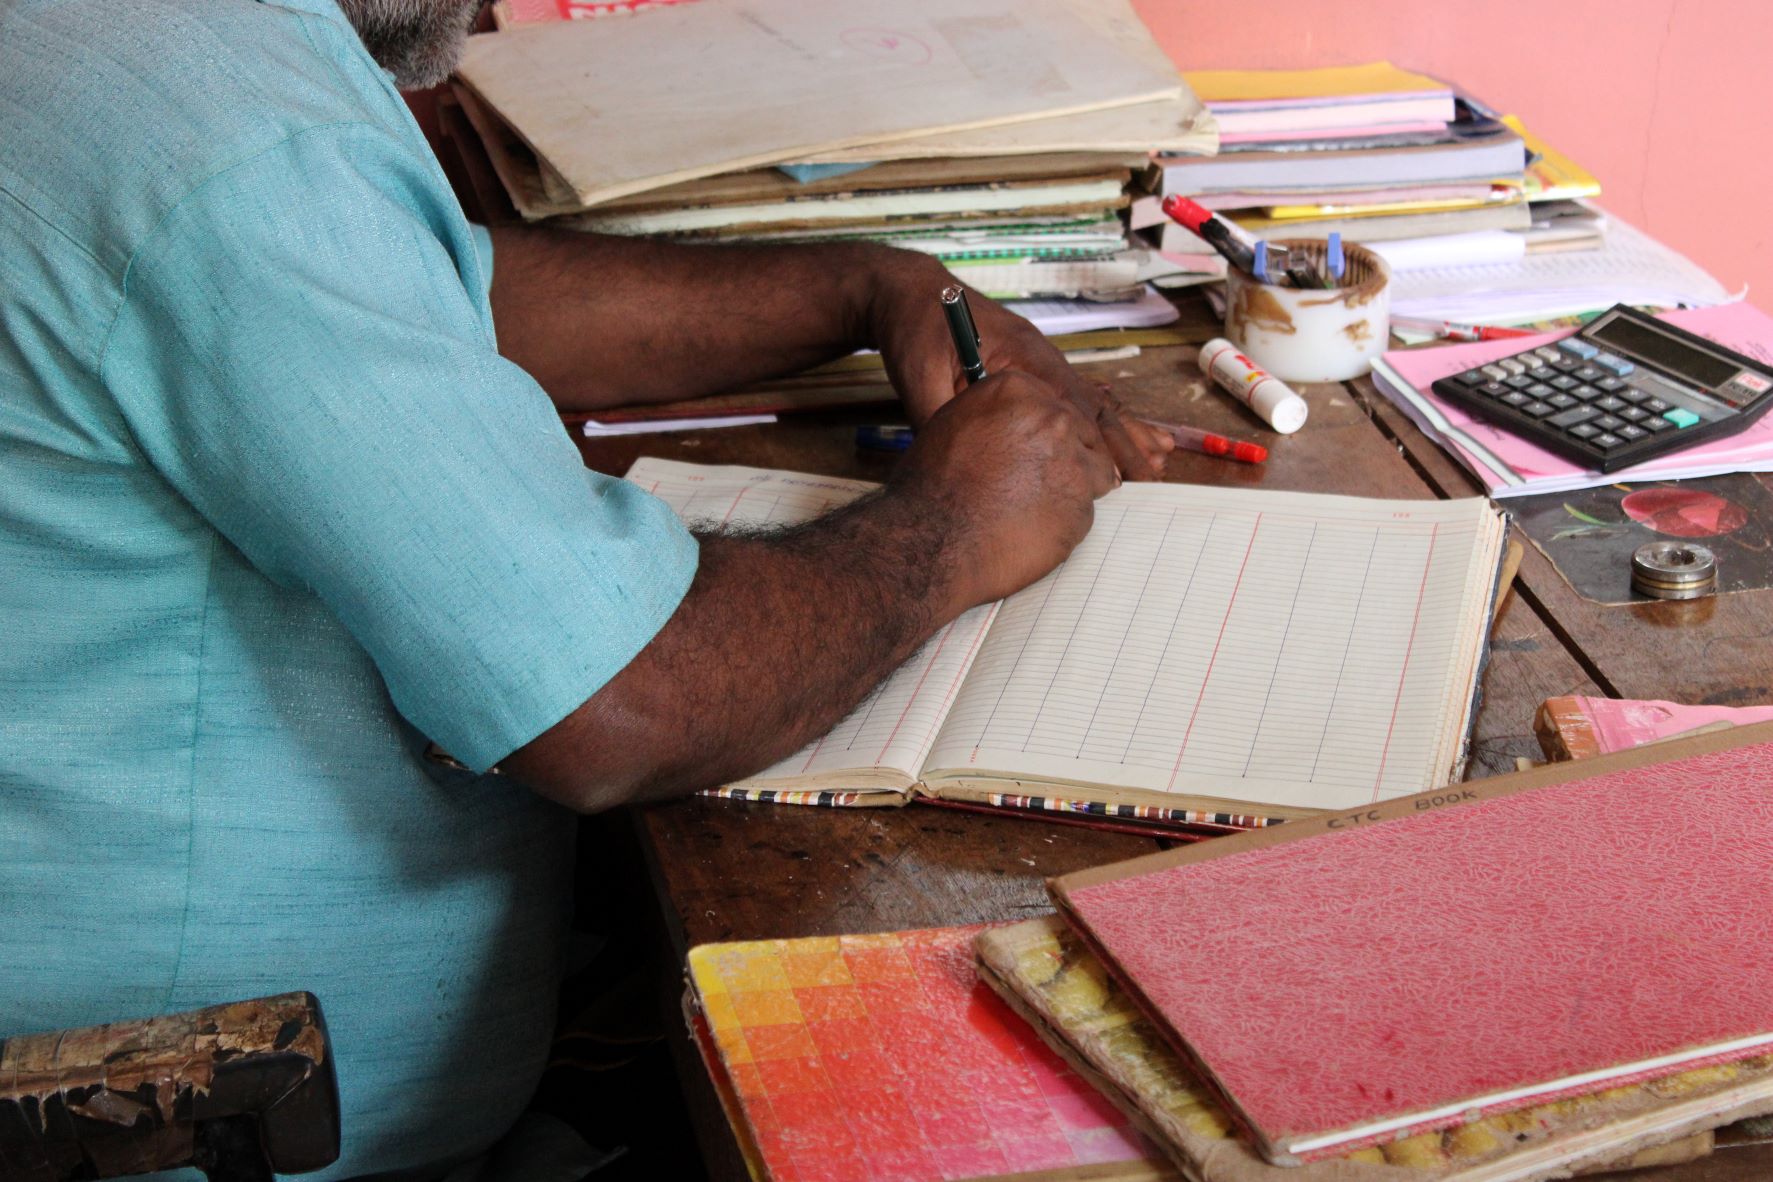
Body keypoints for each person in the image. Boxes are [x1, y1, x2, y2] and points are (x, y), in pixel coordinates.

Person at [0, 0, 1171, 1177]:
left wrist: (870, 288)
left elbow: (416, 289)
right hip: (194, 1137)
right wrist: (956, 523)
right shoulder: (229, 141)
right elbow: (620, 706)